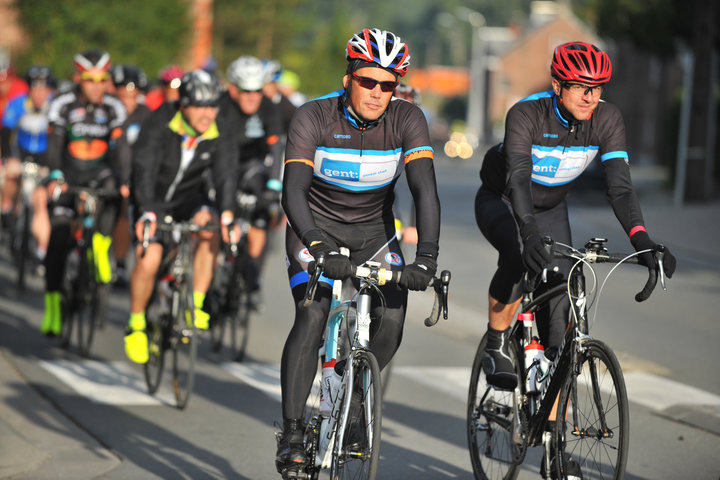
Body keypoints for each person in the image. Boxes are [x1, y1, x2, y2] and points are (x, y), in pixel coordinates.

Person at [474, 41, 677, 479]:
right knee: (517, 252)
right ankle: (495, 342)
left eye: (598, 88)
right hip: (505, 201)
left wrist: (644, 241)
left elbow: (620, 187)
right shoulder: (527, 114)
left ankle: (553, 448)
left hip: (552, 211)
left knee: (560, 322)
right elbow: (519, 178)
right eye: (581, 87)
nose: (591, 97)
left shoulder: (606, 118)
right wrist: (527, 233)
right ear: (557, 85)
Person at [275, 27, 441, 474]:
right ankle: (292, 431)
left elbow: (424, 190)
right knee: (312, 313)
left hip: (375, 232)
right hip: (316, 227)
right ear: (349, 77)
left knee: (391, 322)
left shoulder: (408, 118)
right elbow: (293, 193)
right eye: (368, 81)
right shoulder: (314, 116)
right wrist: (316, 245)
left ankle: (354, 396)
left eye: (388, 85)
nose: (378, 93)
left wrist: (427, 256)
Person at [124, 69, 239, 364]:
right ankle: (136, 323)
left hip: (189, 199)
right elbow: (144, 169)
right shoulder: (160, 121)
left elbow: (226, 173)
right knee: (149, 260)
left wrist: (228, 214)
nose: (206, 114)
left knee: (211, 227)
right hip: (154, 199)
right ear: (184, 104)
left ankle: (194, 304)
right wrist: (147, 210)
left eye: (212, 106)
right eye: (199, 106)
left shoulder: (219, 127)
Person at [41, 49, 129, 336]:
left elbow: (123, 149)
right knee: (58, 235)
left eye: (102, 79)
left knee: (115, 189)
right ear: (78, 77)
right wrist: (55, 175)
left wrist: (126, 180)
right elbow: (54, 145)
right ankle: (53, 305)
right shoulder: (63, 104)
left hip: (99, 173)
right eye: (90, 79)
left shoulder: (114, 106)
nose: (96, 85)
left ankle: (102, 244)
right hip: (68, 174)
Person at [217, 55, 285, 309]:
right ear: (233, 88)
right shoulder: (220, 106)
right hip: (223, 166)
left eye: (257, 91)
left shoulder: (268, 107)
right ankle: (216, 269)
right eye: (246, 91)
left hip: (251, 167)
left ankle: (252, 275)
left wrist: (274, 188)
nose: (252, 97)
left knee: (262, 212)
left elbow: (276, 149)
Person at [0, 65, 56, 254]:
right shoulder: (17, 104)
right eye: (35, 88)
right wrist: (8, 158)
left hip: (45, 156)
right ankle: (7, 209)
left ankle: (41, 247)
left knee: (41, 199)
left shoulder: (55, 107)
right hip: (20, 152)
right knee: (10, 175)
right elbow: (6, 134)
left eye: (44, 88)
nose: (39, 93)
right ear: (29, 89)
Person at [109, 64, 151, 286]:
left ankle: (121, 262)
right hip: (106, 170)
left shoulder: (146, 116)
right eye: (122, 94)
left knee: (125, 208)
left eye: (132, 95)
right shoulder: (106, 110)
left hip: (133, 174)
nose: (126, 100)